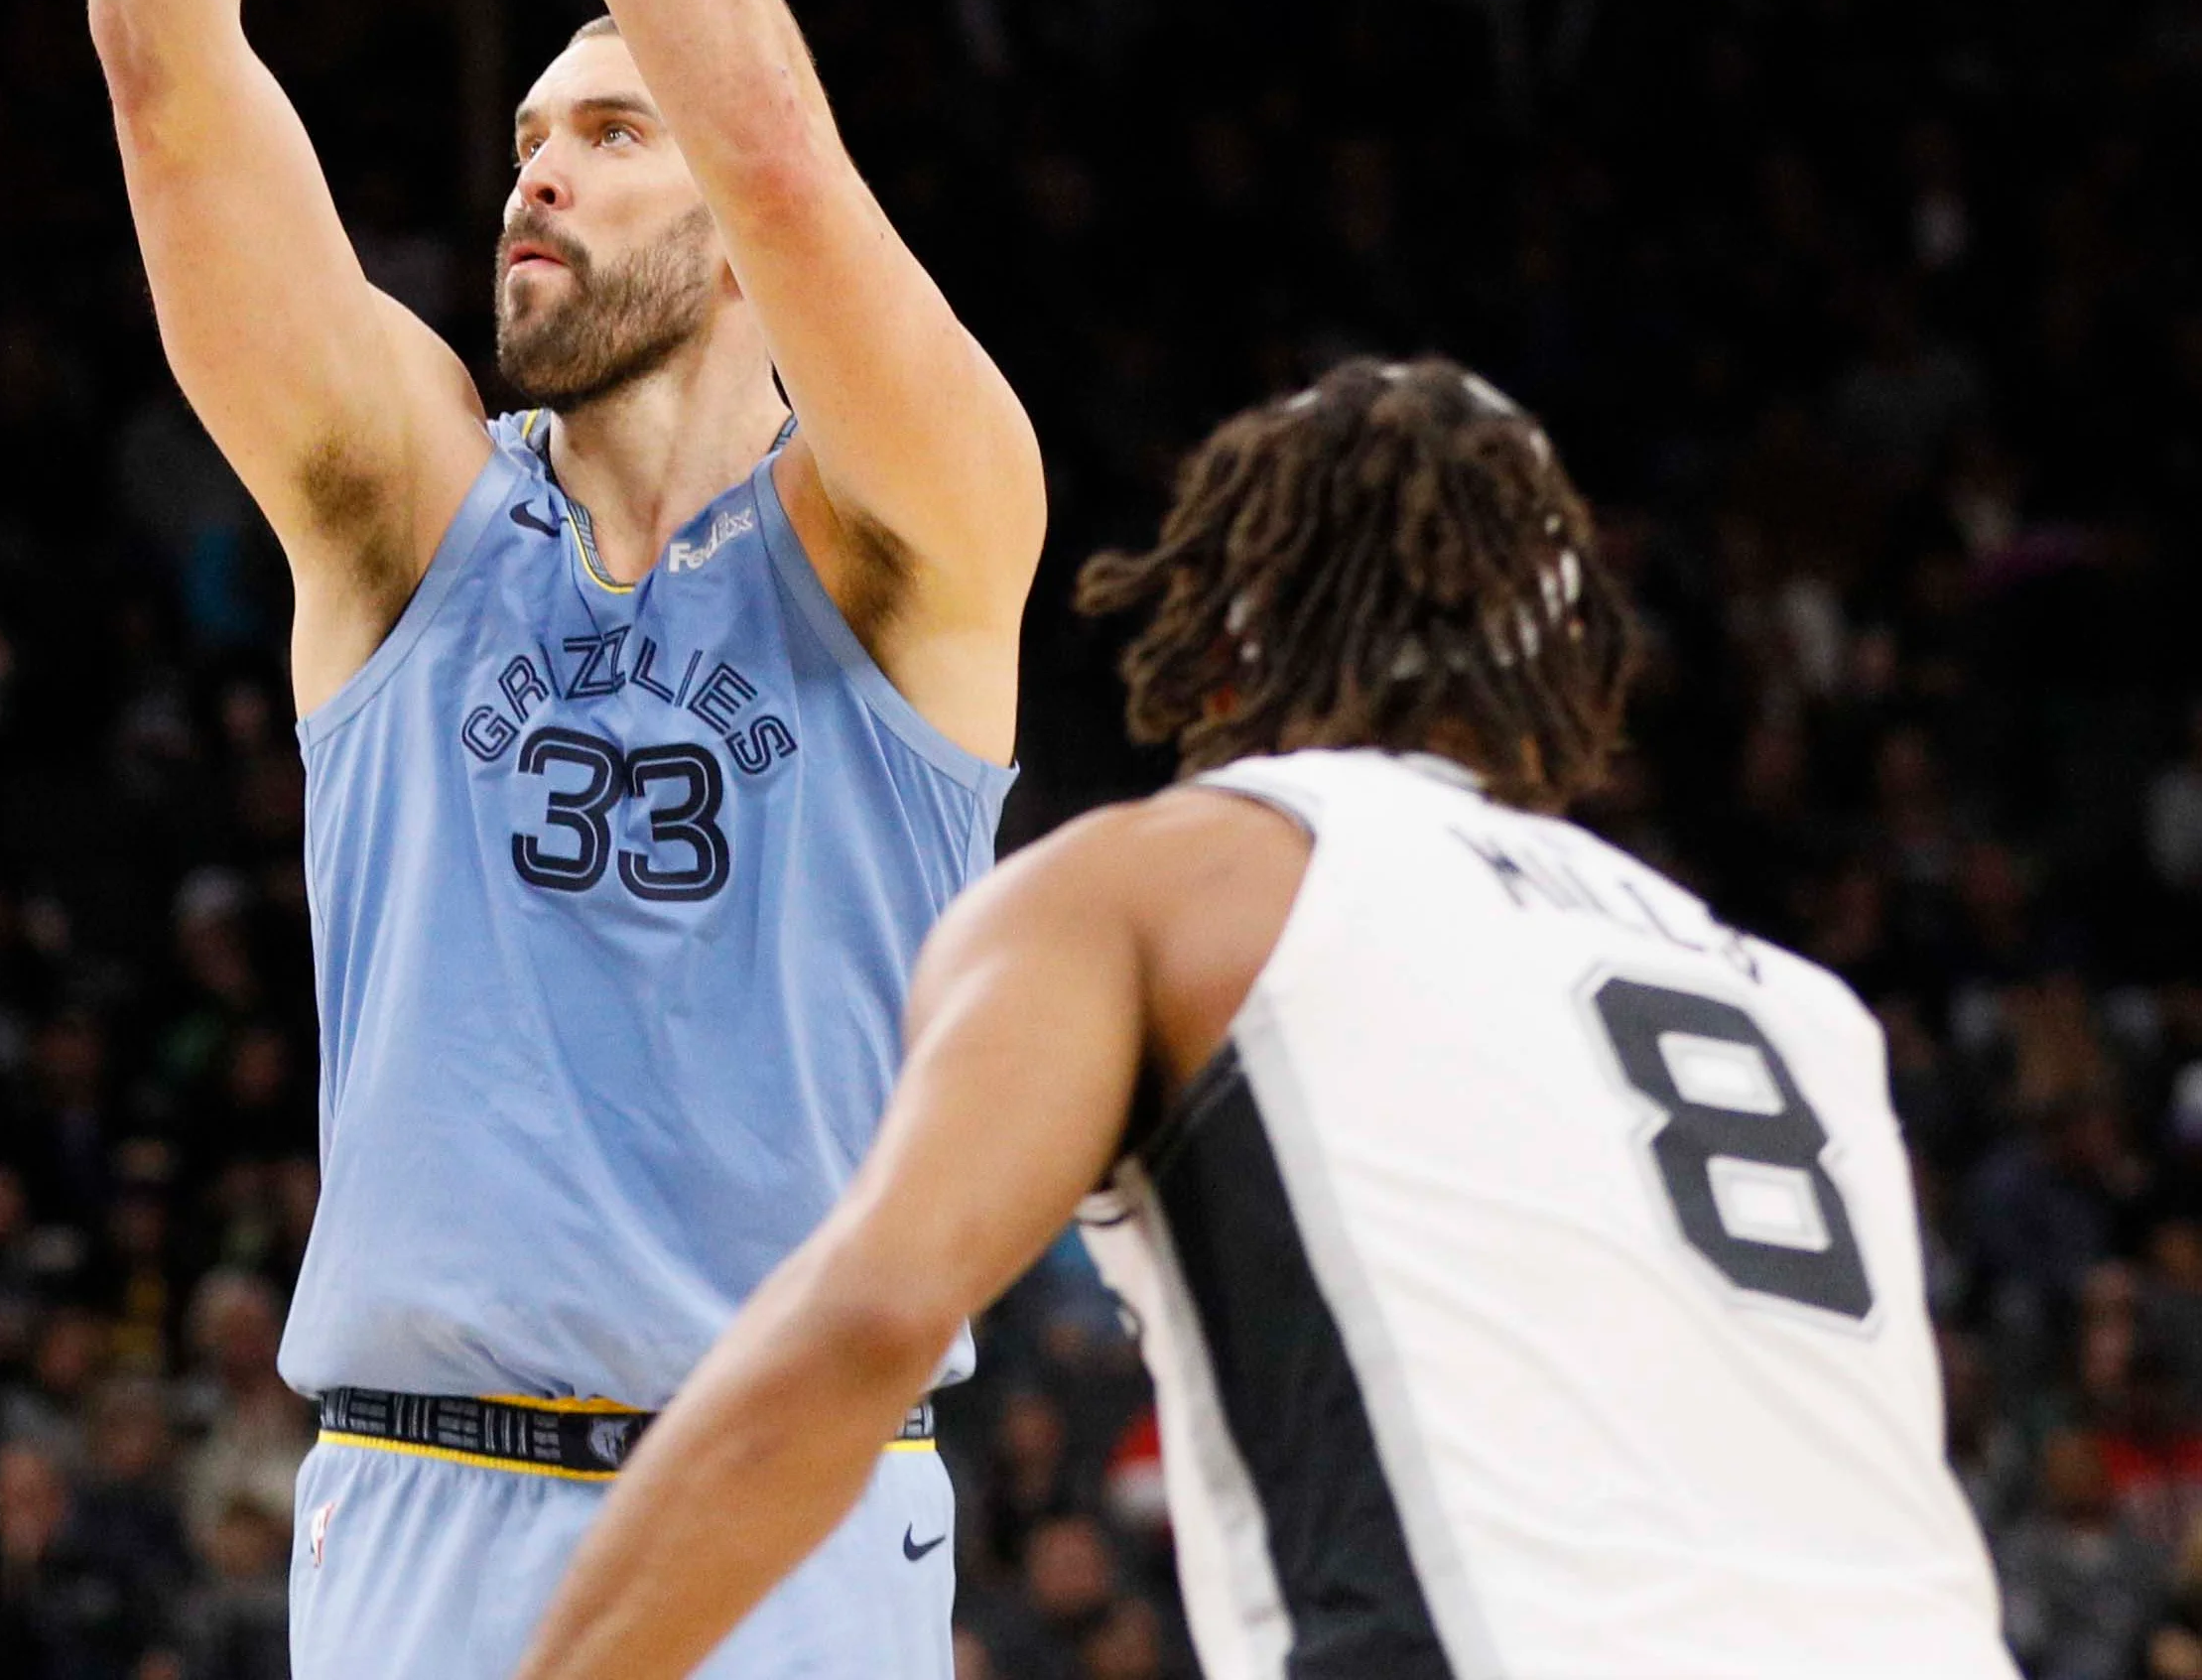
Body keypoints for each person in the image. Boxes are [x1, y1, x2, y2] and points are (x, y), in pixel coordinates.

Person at [58, 0, 1038, 1680]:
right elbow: (171, 83)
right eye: (523, 136)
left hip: (797, 1505)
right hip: (418, 1505)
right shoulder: (408, 508)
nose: (539, 174)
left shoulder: (920, 528)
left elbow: (787, 155)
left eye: (607, 131)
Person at [500, 360, 2013, 1680]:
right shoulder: (1799, 1009)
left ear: (1223, 635)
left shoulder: (1179, 878)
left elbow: (872, 1318)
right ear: (1564, 668)